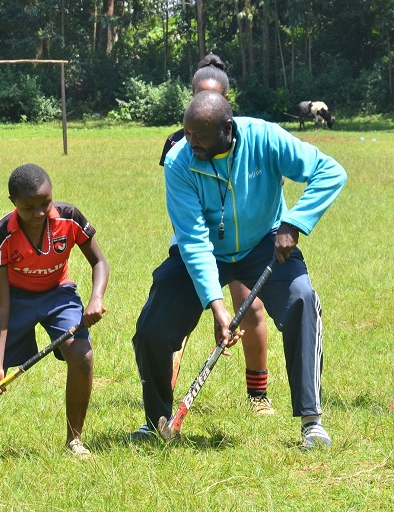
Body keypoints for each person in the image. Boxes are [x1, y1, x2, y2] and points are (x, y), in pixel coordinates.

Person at [130, 90, 347, 449]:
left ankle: (312, 422)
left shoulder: (265, 138)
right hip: (205, 252)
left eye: (199, 136)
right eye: (187, 133)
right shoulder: (179, 161)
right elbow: (194, 239)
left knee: (302, 300)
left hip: (264, 242)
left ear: (226, 129)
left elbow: (330, 172)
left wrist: (294, 223)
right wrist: (217, 305)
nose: (191, 143)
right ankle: (156, 422)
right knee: (153, 324)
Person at [0, 164, 110, 457]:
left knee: (83, 356)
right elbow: (0, 304)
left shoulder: (70, 218)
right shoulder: (1, 234)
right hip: (13, 299)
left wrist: (96, 298)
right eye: (29, 208)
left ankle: (74, 442)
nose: (40, 213)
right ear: (13, 204)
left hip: (58, 295)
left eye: (45, 203)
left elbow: (99, 262)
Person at [159, 54, 275, 415]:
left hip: (239, 243)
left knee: (251, 308)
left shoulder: (242, 138)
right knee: (179, 319)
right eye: (197, 95)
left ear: (226, 104)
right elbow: (184, 206)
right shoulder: (179, 144)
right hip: (194, 242)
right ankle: (167, 394)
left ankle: (258, 396)